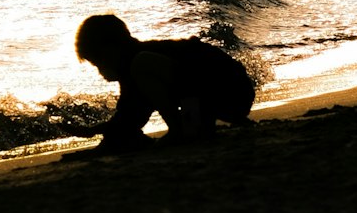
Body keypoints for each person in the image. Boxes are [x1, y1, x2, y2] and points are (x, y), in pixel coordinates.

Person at [75, 14, 255, 153]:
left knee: (143, 63)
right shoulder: (136, 66)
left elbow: (129, 116)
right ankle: (190, 127)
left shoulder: (140, 62)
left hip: (231, 94)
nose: (99, 71)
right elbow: (130, 116)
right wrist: (95, 132)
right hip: (226, 98)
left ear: (110, 50)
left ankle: (180, 130)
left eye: (97, 63)